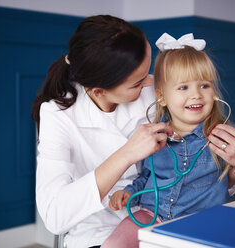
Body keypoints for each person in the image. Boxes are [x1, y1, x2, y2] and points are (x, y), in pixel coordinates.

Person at [102, 33, 235, 248]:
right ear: (162, 97)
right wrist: (129, 193)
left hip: (202, 220)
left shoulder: (223, 137)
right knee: (115, 244)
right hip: (151, 215)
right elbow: (147, 177)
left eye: (204, 86)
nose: (196, 95)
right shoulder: (153, 137)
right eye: (183, 87)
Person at [32, 15, 175, 248]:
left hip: (158, 215)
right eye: (137, 83)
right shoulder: (57, 115)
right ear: (99, 91)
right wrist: (127, 153)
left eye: (147, 74)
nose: (150, 84)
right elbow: (55, 216)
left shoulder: (152, 92)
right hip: (96, 232)